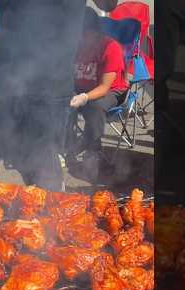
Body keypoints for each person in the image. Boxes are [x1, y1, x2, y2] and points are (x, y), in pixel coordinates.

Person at [0, 0, 118, 192]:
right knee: (19, 158)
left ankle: (51, 213)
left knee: (44, 165)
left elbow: (108, 4)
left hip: (47, 82)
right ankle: (41, 209)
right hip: (13, 79)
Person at [69, 7, 129, 179]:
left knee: (94, 107)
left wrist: (85, 97)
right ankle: (67, 146)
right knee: (59, 101)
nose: (81, 38)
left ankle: (93, 151)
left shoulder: (111, 47)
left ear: (94, 31)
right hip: (81, 87)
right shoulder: (76, 45)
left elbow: (104, 87)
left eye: (84, 34)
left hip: (111, 90)